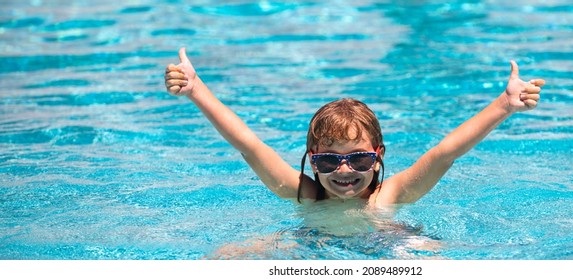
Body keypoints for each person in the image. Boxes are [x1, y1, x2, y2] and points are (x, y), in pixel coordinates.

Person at [164, 48, 545, 207]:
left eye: (359, 159)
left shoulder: (389, 196)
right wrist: (197, 91)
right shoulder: (305, 194)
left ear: (378, 157)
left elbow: (446, 153)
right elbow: (249, 145)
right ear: (313, 161)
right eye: (330, 161)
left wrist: (504, 106)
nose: (344, 171)